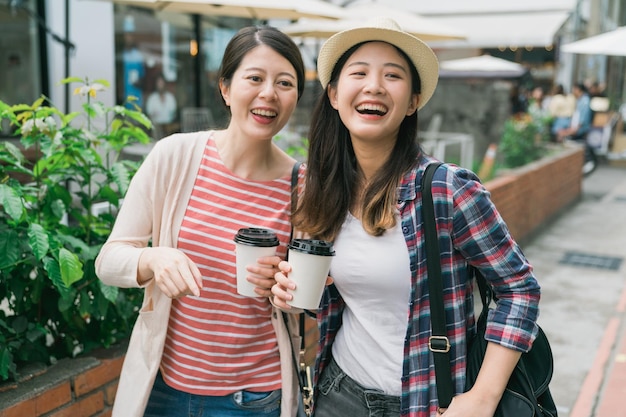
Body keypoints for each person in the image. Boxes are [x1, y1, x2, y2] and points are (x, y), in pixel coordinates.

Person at [271, 18, 541, 417]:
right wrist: (291, 296)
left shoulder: (448, 190)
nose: (374, 86)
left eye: (392, 75)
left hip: (427, 403)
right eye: (358, 72)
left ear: (413, 101)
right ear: (333, 94)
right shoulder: (316, 184)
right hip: (336, 395)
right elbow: (348, 294)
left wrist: (482, 398)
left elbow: (520, 290)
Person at [96, 25, 306, 417]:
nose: (268, 94)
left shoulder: (302, 186)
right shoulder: (173, 156)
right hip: (163, 388)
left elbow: (307, 301)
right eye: (255, 78)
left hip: (255, 398)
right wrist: (154, 259)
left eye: (285, 83)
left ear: (296, 97)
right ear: (225, 88)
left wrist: (286, 288)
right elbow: (108, 260)